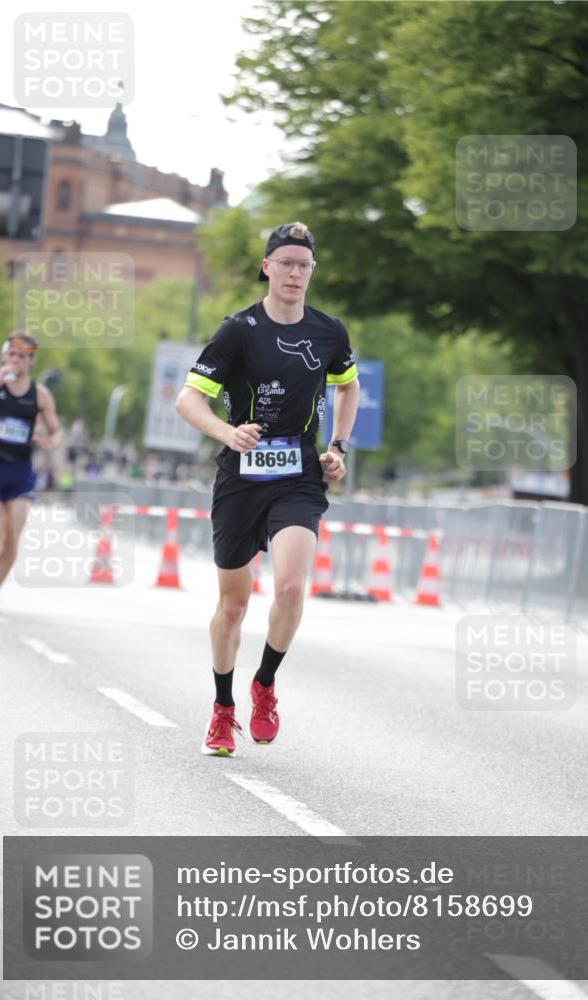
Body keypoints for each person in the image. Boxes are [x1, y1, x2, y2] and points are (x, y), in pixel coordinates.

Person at [176, 222, 360, 755]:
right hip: (241, 478)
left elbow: (348, 387)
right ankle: (222, 708)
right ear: (267, 267)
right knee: (233, 605)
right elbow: (188, 399)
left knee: (291, 588)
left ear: (312, 272)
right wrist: (226, 432)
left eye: (304, 265)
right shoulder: (238, 330)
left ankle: (264, 684)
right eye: (286, 263)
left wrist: (338, 445)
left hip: (298, 476)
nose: (295, 274)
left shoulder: (329, 332)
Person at [0, 333, 62, 613]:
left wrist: (51, 442)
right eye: (11, 354)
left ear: (31, 362)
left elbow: (56, 429)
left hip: (19, 472)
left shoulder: (40, 395)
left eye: (22, 356)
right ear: (4, 357)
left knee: (12, 535)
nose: (15, 360)